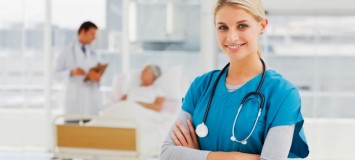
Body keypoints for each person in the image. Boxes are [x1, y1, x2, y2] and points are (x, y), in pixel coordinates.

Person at [160, 0, 309, 160]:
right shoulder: (201, 86)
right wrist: (238, 157)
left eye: (242, 26)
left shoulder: (283, 93)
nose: (232, 37)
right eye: (223, 27)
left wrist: (197, 155)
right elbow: (167, 154)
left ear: (262, 26)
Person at [54, 21, 102, 123]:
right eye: (92, 34)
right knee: (71, 135)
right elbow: (55, 74)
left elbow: (99, 73)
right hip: (74, 102)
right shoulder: (67, 51)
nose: (94, 37)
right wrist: (71, 73)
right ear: (83, 32)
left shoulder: (94, 53)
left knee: (90, 136)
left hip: (90, 103)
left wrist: (97, 78)